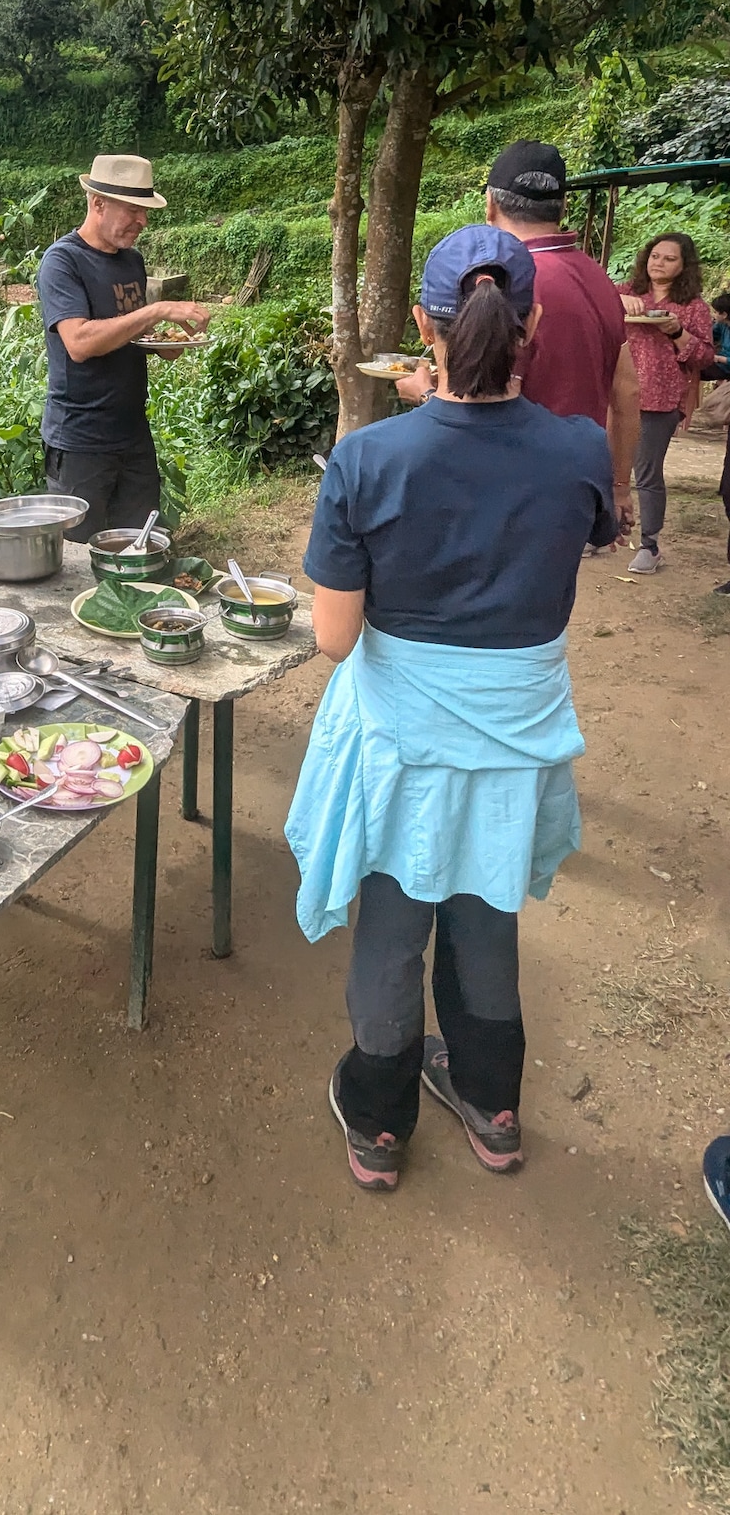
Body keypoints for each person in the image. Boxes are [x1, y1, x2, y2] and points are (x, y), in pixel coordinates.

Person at [286, 225, 616, 1191]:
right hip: (515, 749)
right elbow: (569, 518)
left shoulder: (369, 459)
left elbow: (336, 639)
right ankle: (492, 1106)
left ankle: (381, 1125)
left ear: (425, 327)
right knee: (485, 917)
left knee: (391, 930)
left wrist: (422, 419)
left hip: (404, 750)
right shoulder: (580, 450)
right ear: (535, 324)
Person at [399, 140, 638, 535]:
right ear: (562, 208)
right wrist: (618, 485)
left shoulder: (514, 284)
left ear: (490, 204)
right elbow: (627, 390)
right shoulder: (599, 279)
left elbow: (480, 410)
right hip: (572, 489)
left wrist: (426, 394)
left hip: (505, 495)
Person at [35, 154, 210, 541]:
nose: (142, 222)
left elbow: (142, 339)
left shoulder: (132, 261)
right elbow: (78, 343)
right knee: (80, 561)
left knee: (138, 548)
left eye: (144, 212)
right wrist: (156, 309)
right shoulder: (62, 262)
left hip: (132, 436)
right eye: (133, 210)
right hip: (80, 443)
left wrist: (175, 336)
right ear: (98, 203)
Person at [617, 232, 714, 576]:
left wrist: (676, 331)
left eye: (669, 258)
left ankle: (650, 544)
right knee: (604, 465)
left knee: (646, 473)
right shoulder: (626, 293)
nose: (659, 263)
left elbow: (704, 357)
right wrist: (619, 303)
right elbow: (597, 316)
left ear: (684, 265)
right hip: (616, 394)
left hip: (660, 399)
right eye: (655, 256)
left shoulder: (693, 307)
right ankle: (601, 532)